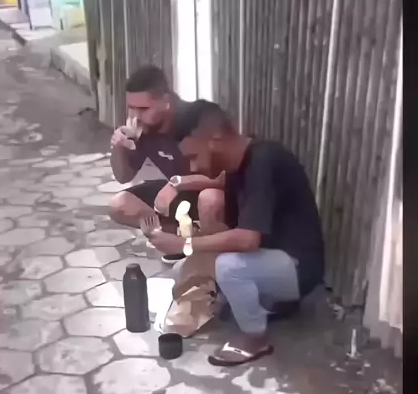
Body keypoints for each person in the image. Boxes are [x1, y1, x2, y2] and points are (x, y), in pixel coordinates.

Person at [145, 100, 325, 366]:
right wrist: (190, 253)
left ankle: (255, 338)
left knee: (229, 268)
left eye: (193, 157)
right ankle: (277, 304)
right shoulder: (235, 171)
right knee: (183, 272)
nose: (192, 168)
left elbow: (248, 240)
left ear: (216, 138)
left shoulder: (264, 161)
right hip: (273, 258)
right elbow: (230, 233)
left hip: (300, 268)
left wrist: (184, 243)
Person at [109, 65, 224, 263]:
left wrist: (177, 183)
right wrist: (118, 147)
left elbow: (224, 177)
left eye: (143, 109)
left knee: (210, 198)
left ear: (166, 101)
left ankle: (208, 255)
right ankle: (178, 238)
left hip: (212, 192)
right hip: (178, 194)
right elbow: (123, 177)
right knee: (119, 205)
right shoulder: (143, 128)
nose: (135, 116)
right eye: (131, 108)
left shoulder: (199, 118)